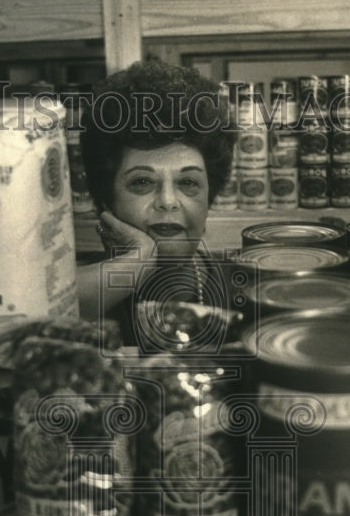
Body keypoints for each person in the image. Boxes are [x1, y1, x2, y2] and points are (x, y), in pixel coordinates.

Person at [75, 60, 237, 347]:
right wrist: (139, 260)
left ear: (209, 197)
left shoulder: (242, 289)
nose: (167, 202)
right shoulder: (77, 292)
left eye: (188, 183)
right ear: (107, 198)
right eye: (142, 182)